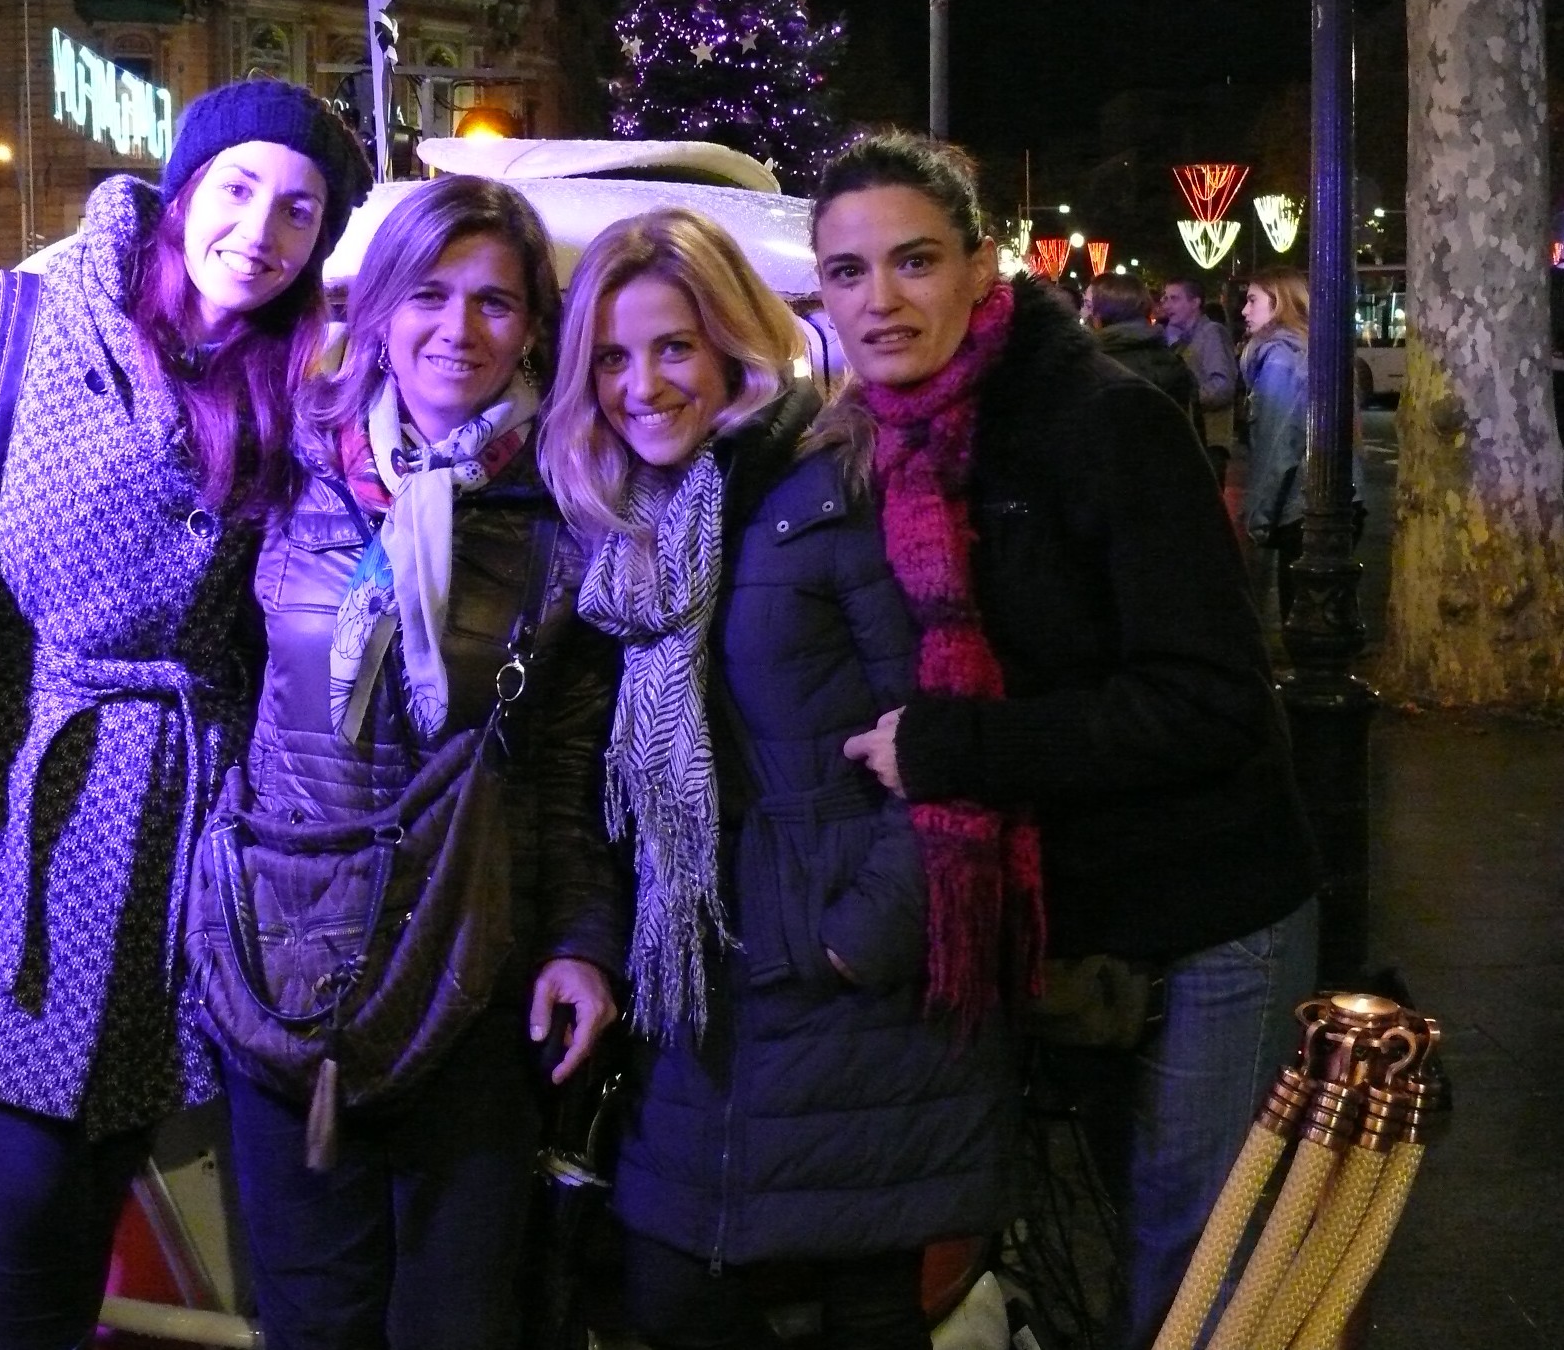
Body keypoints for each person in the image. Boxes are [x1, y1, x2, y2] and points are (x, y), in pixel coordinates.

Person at [0, 79, 368, 1350]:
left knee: (144, 1179)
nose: (260, 232)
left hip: (196, 828)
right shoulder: (23, 322)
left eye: (298, 210)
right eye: (237, 189)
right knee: (36, 1210)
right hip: (20, 821)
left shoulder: (296, 379)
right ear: (182, 190)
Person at [820, 133, 1318, 1350]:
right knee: (1092, 1245)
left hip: (1206, 913)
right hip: (1067, 924)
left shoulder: (1099, 423)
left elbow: (1209, 700)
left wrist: (957, 750)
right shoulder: (880, 441)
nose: (878, 299)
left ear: (979, 265)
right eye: (845, 271)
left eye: (912, 260)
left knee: (1190, 1269)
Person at [541, 207, 1016, 1350]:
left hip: (846, 997)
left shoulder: (831, 487)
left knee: (864, 1312)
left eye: (672, 346)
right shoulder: (629, 527)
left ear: (730, 343)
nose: (641, 385)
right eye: (610, 357)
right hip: (699, 989)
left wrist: (858, 936)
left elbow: (947, 724)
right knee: (672, 1295)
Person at [204, 174, 622, 1350]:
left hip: (468, 968)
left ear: (532, 326)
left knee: (457, 1324)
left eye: (495, 301)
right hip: (283, 968)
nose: (458, 328)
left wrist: (581, 942)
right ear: (380, 307)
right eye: (429, 294)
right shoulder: (286, 470)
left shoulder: (564, 506)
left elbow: (567, 769)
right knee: (312, 1323)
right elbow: (218, 690)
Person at [1239, 267, 1312, 619]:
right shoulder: (1308, 348)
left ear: (1280, 303)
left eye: (1253, 300)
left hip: (1301, 507)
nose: (1244, 310)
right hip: (1325, 501)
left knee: (1298, 618)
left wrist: (1257, 520)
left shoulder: (1279, 358)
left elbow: (1276, 445)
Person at [1084, 272, 1201, 426]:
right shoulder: (1170, 360)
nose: (1083, 312)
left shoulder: (1095, 368)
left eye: (1088, 305)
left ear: (1101, 313)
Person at [1159, 275, 1239, 481]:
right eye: (1165, 298)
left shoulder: (1211, 333)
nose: (1167, 305)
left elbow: (1222, 387)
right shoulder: (1176, 336)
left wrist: (1182, 400)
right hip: (1190, 438)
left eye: (1175, 298)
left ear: (1195, 302)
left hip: (1208, 441)